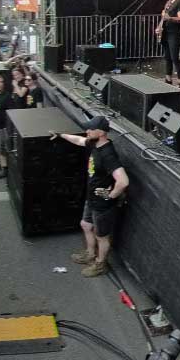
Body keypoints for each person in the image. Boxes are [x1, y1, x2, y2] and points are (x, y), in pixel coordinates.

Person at [53, 117, 128, 279]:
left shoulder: (108, 154)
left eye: (90, 129)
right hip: (91, 198)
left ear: (101, 133)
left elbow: (123, 181)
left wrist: (111, 195)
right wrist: (61, 135)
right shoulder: (94, 143)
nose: (87, 131)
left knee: (102, 236)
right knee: (86, 225)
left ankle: (101, 264)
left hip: (102, 204)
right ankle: (90, 254)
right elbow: (79, 140)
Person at [154, 0, 180, 86]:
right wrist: (159, 27)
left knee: (174, 57)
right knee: (167, 57)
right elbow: (163, 18)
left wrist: (170, 18)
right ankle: (168, 79)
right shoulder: (169, 2)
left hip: (174, 34)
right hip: (166, 33)